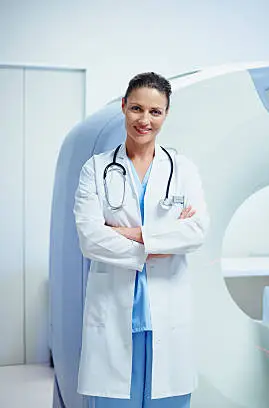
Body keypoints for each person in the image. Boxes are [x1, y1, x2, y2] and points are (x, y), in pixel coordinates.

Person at [73, 72, 209, 407]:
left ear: (165, 114)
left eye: (155, 111)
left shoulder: (183, 169)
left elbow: (197, 232)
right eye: (136, 108)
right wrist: (160, 243)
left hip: (167, 315)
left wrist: (128, 234)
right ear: (123, 107)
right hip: (114, 312)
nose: (144, 120)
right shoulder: (97, 168)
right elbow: (90, 239)